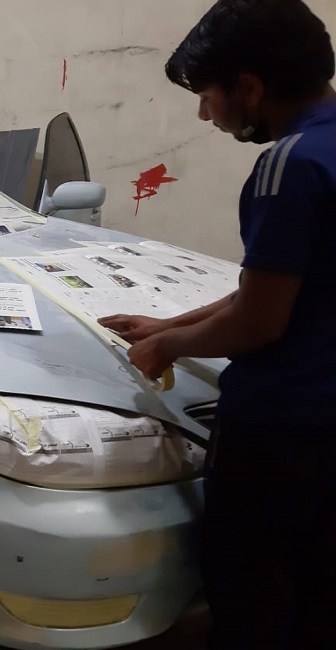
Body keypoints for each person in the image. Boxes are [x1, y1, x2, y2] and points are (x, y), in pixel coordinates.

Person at [99, 1, 336, 647]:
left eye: (207, 96)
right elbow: (286, 286)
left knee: (251, 588)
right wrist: (169, 322)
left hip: (287, 434)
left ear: (249, 88)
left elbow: (259, 321)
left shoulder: (290, 165)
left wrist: (167, 347)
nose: (206, 115)